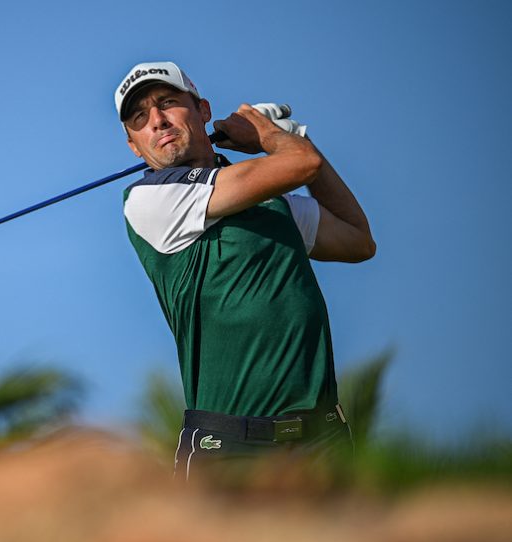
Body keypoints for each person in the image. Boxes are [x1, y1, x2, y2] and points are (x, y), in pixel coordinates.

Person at [115, 62, 376, 481]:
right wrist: (273, 138)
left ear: (202, 110)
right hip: (227, 447)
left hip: (321, 441)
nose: (158, 121)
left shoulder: (276, 203)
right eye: (139, 118)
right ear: (133, 145)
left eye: (168, 104)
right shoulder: (149, 200)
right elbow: (297, 166)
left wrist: (299, 143)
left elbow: (358, 240)